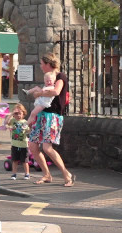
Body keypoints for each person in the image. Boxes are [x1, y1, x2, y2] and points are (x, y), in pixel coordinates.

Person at [28, 52, 74, 187]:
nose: (41, 66)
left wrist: (39, 93)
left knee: (47, 148)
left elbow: (56, 92)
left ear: (48, 64)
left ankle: (67, 174)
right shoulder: (48, 78)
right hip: (41, 115)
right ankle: (47, 174)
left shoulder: (60, 76)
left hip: (52, 116)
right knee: (32, 146)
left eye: (42, 64)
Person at [4, 103, 30, 180]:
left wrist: (28, 129)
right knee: (14, 160)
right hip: (15, 144)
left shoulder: (25, 122)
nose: (18, 115)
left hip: (23, 145)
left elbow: (29, 130)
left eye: (20, 113)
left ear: (23, 114)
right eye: (16, 113)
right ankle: (14, 174)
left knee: (24, 161)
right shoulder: (12, 120)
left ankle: (27, 174)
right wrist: (11, 113)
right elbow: (6, 122)